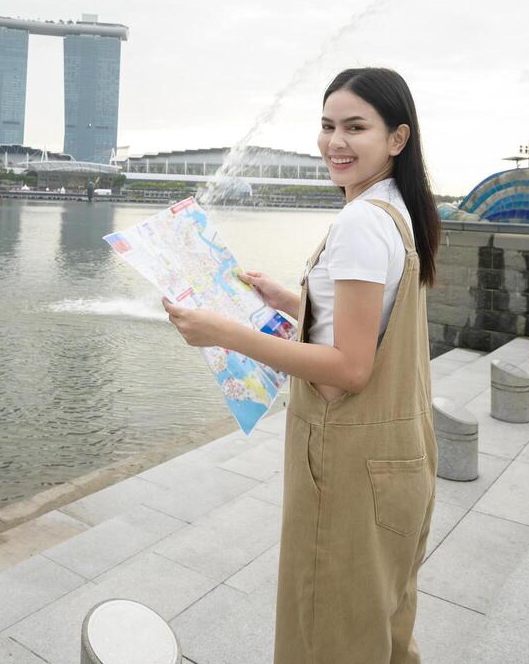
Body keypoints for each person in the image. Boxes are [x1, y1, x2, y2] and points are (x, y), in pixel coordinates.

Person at [162, 67, 442, 664]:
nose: (335, 142)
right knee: (381, 629)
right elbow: (374, 324)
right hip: (398, 459)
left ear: (397, 138)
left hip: (350, 464)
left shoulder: (362, 221)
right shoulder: (396, 210)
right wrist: (291, 302)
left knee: (328, 637)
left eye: (355, 127)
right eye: (326, 126)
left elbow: (350, 368)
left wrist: (227, 333)